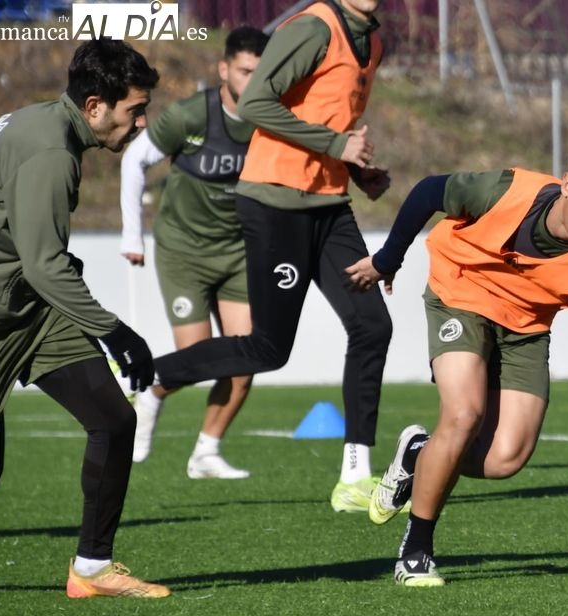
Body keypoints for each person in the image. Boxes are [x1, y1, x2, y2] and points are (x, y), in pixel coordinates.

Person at [346, 135, 568, 586]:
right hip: (459, 291)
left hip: (526, 326)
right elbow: (429, 191)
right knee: (464, 415)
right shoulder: (507, 191)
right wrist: (388, 259)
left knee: (507, 457)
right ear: (567, 185)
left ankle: (419, 453)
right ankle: (416, 550)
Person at [151, 0, 393, 512]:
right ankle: (147, 374)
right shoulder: (311, 28)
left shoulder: (371, 41)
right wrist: (336, 144)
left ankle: (354, 477)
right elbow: (258, 101)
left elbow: (326, 121)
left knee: (373, 326)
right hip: (275, 204)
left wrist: (355, 169)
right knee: (268, 350)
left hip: (329, 205)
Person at [0, 39, 169, 598]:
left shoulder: (42, 123)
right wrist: (116, 331)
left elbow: (37, 267)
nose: (141, 123)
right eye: (135, 111)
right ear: (95, 105)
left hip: (31, 309)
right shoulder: (49, 150)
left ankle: (92, 568)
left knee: (113, 421)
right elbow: (45, 264)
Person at [120, 26, 269, 479]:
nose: (253, 81)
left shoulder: (274, 121)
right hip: (184, 252)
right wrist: (132, 235)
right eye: (245, 71)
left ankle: (206, 451)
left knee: (248, 358)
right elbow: (134, 159)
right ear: (224, 70)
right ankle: (152, 393)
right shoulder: (191, 116)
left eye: (262, 74)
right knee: (200, 354)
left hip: (239, 254)